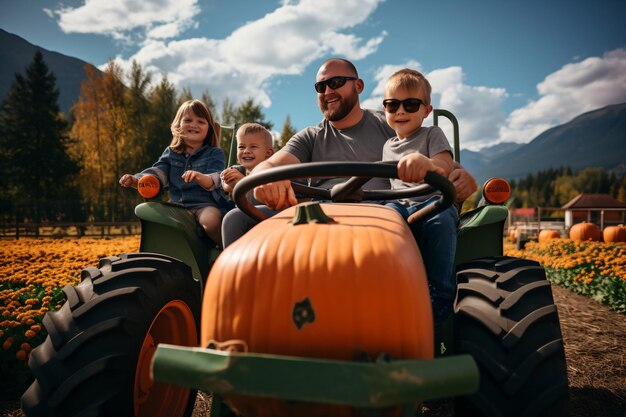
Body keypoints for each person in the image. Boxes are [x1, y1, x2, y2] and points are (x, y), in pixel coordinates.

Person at [221, 57, 477, 247]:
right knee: (235, 220)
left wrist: (459, 175)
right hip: (320, 217)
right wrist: (271, 175)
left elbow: (437, 161)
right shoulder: (311, 136)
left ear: (358, 85)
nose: (328, 91)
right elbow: (270, 165)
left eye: (336, 82)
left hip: (381, 216)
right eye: (321, 87)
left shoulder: (391, 122)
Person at [381, 68, 458, 323]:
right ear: (385, 110)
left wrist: (426, 162)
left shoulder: (432, 134)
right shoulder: (387, 146)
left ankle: (439, 294)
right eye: (392, 105)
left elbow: (445, 164)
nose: (400, 111)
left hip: (431, 202)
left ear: (426, 110)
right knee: (381, 225)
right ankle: (387, 290)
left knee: (441, 222)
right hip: (398, 204)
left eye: (411, 104)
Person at [119, 99, 228, 245]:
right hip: (177, 206)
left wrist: (200, 177)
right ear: (178, 125)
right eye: (188, 120)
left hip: (204, 205)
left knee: (211, 221)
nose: (194, 125)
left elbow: (216, 178)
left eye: (201, 122)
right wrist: (137, 180)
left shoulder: (214, 153)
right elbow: (159, 172)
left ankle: (226, 250)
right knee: (158, 219)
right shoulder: (171, 153)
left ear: (209, 128)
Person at [220, 122, 275, 196]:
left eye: (253, 146)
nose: (246, 151)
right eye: (241, 147)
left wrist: (243, 182)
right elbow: (222, 179)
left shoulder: (270, 175)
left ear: (268, 153)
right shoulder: (238, 170)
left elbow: (263, 200)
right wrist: (227, 184)